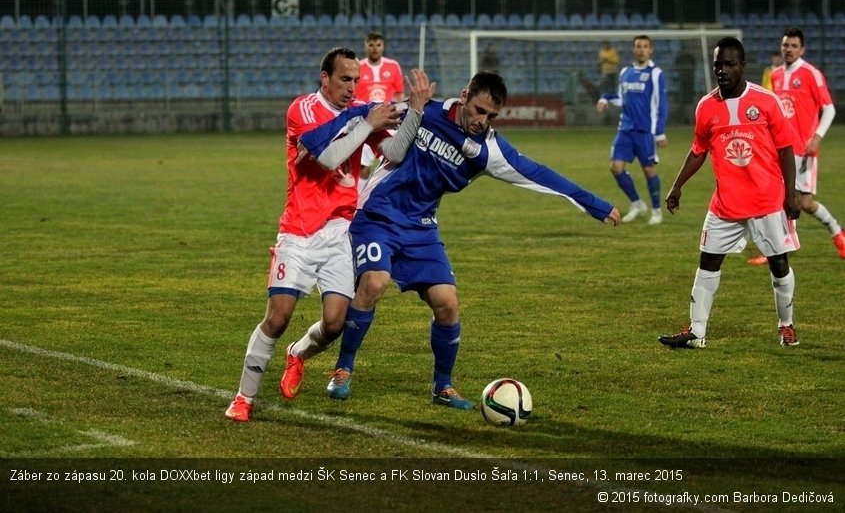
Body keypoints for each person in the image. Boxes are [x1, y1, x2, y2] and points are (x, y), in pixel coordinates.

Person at [297, 71, 621, 409]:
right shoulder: (427, 111)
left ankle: (442, 387)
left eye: (492, 116)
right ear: (465, 96)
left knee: (448, 304)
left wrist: (595, 205)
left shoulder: (489, 150)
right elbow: (363, 114)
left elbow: (539, 173)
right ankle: (343, 370)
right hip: (377, 214)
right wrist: (315, 140)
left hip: (421, 228)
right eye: (480, 111)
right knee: (375, 283)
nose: (483, 121)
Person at [224, 47, 426, 423]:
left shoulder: (363, 111)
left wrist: (413, 111)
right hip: (298, 231)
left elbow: (394, 153)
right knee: (278, 317)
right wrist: (364, 121)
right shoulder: (302, 109)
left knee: (335, 323)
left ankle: (297, 354)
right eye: (344, 79)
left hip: (340, 232)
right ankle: (243, 397)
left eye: (356, 80)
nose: (352, 87)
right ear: (325, 78)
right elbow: (328, 158)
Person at [658, 36, 801, 349]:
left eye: (729, 64)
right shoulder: (707, 107)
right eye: (718, 65)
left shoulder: (765, 101)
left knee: (779, 264)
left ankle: (786, 326)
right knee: (707, 263)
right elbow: (698, 151)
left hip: (766, 201)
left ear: (742, 66)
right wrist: (677, 185)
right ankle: (697, 333)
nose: (722, 70)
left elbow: (786, 149)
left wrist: (790, 194)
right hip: (726, 203)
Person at [747, 27, 844, 265]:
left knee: (805, 203)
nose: (788, 49)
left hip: (805, 149)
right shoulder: (776, 75)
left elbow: (829, 108)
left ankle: (838, 234)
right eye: (785, 45)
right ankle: (775, 248)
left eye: (793, 46)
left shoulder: (811, 73)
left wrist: (818, 136)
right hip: (781, 149)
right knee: (776, 198)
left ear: (802, 49)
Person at [596, 35, 668, 225]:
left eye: (645, 46)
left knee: (649, 170)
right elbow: (621, 98)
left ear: (651, 50)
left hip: (645, 132)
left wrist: (659, 133)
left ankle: (656, 211)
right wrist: (605, 98)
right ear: (633, 50)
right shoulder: (625, 72)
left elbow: (662, 105)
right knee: (616, 167)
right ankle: (637, 203)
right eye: (638, 46)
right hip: (625, 130)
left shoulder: (656, 73)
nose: (642, 49)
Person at [354, 32, 406, 192]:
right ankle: (357, 202)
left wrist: (400, 116)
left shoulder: (393, 66)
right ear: (366, 46)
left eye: (378, 45)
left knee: (393, 163)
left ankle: (384, 197)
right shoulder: (358, 67)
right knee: (363, 166)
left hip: (389, 121)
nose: (375, 49)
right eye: (371, 45)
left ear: (383, 46)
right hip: (367, 122)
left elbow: (399, 93)